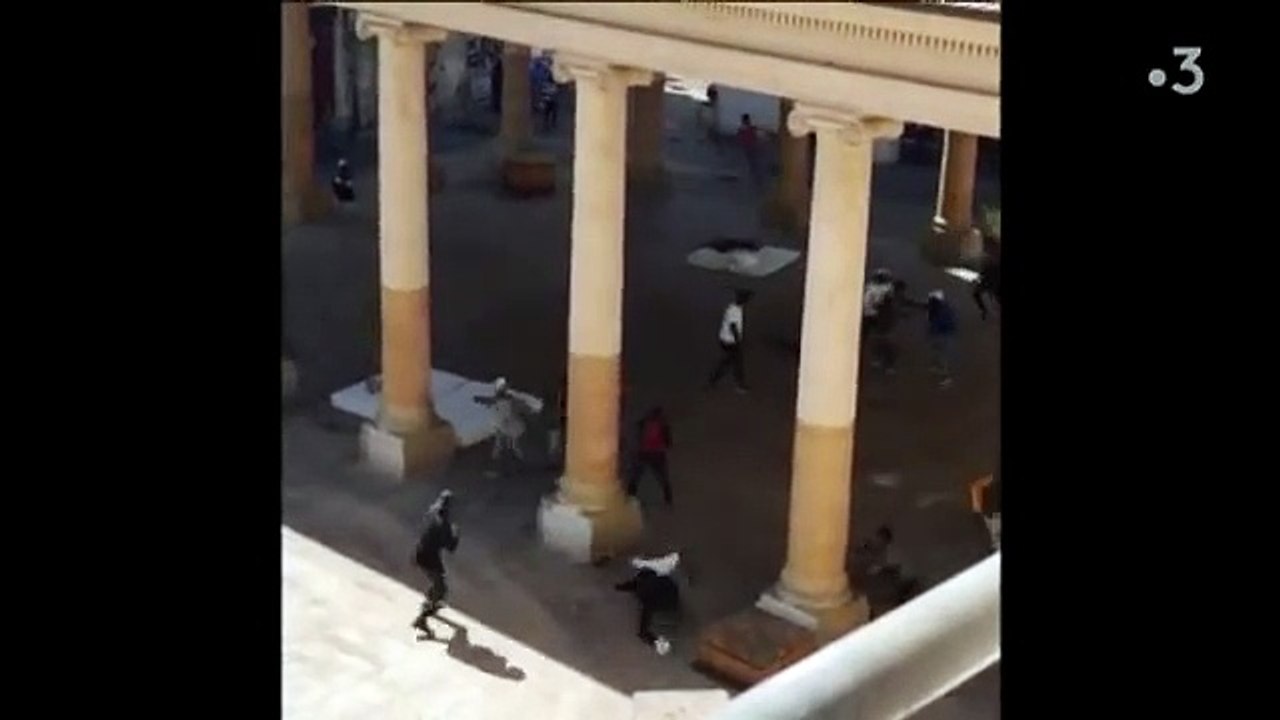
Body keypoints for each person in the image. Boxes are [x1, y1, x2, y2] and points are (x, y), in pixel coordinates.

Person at [411, 489, 461, 635]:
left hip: (422, 553)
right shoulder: (444, 525)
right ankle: (422, 619)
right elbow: (451, 547)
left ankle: (429, 603)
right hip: (430, 558)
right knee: (441, 590)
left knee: (437, 584)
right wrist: (456, 533)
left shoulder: (432, 514)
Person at [615, 553, 682, 652]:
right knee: (646, 588)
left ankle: (654, 641)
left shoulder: (647, 599)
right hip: (669, 594)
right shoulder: (659, 580)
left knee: (647, 607)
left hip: (662, 599)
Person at [474, 377, 533, 475]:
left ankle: (514, 465)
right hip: (507, 427)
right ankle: (506, 465)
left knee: (509, 446)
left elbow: (499, 406)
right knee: (506, 446)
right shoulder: (504, 400)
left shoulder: (507, 401)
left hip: (511, 427)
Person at [706, 289, 752, 393]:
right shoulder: (735, 311)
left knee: (729, 362)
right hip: (730, 341)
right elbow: (733, 326)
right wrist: (739, 342)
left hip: (726, 339)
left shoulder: (733, 308)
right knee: (734, 362)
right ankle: (738, 385)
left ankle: (713, 381)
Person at [628, 407, 674, 506]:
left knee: (636, 476)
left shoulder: (643, 423)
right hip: (658, 454)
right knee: (663, 477)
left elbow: (637, 438)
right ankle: (668, 499)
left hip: (644, 453)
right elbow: (668, 442)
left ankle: (630, 497)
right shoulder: (663, 425)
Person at [862, 269, 899, 373]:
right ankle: (884, 362)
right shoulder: (887, 288)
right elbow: (887, 303)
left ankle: (879, 360)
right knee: (881, 339)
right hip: (876, 316)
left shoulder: (870, 287)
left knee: (874, 338)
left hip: (869, 315)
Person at [925, 290, 958, 386]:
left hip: (943, 335)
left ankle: (946, 378)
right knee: (937, 352)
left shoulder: (940, 311)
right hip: (943, 335)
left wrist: (931, 333)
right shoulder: (943, 308)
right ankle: (936, 367)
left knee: (942, 356)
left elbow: (936, 325)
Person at [972, 238, 1002, 321]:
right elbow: (984, 270)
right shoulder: (987, 257)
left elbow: (986, 270)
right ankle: (984, 310)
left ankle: (984, 310)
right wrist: (979, 277)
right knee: (976, 293)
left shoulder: (991, 256)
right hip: (990, 280)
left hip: (993, 280)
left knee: (977, 293)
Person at [736, 114, 761, 185]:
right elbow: (755, 136)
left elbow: (739, 137)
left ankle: (753, 175)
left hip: (747, 146)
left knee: (750, 161)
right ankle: (755, 176)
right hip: (752, 146)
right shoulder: (751, 128)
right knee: (753, 161)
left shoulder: (742, 129)